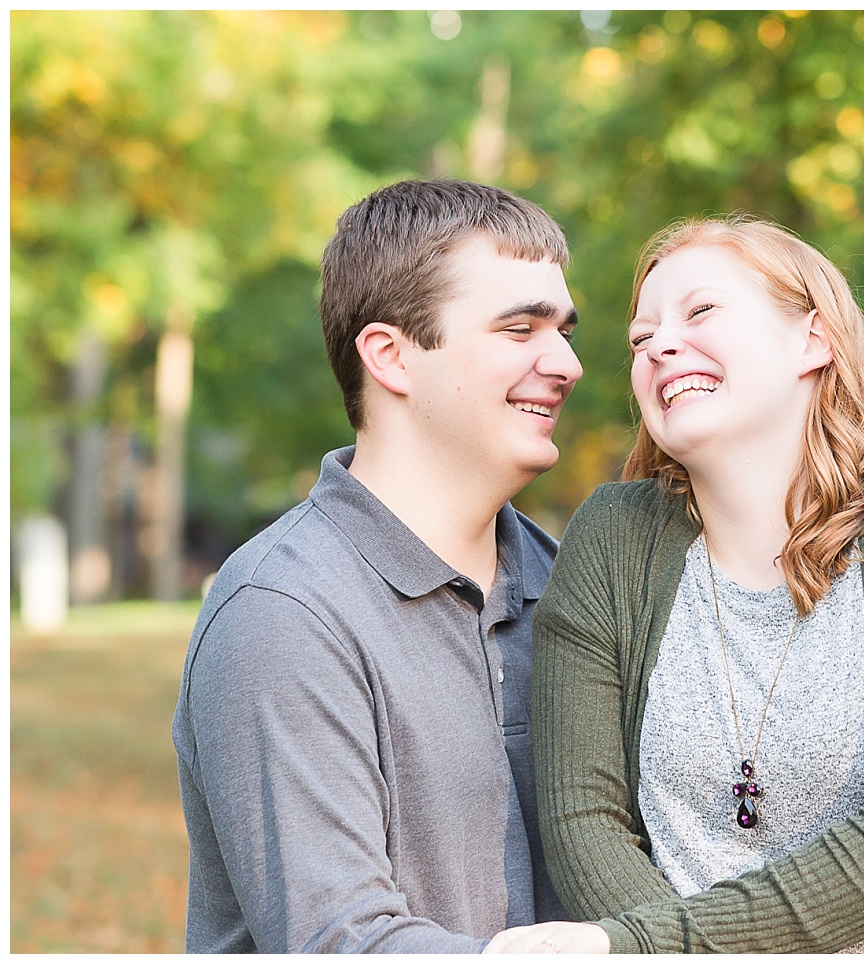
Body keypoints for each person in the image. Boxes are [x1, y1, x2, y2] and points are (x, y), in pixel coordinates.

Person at [525, 215, 864, 953]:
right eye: (641, 340)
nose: (659, 346)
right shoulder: (613, 538)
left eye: (700, 311)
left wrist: (653, 946)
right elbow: (583, 819)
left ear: (814, 339)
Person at [172, 178, 604, 953]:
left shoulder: (571, 586)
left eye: (565, 331)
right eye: (520, 329)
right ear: (392, 357)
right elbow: (343, 942)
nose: (567, 364)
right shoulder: (283, 612)